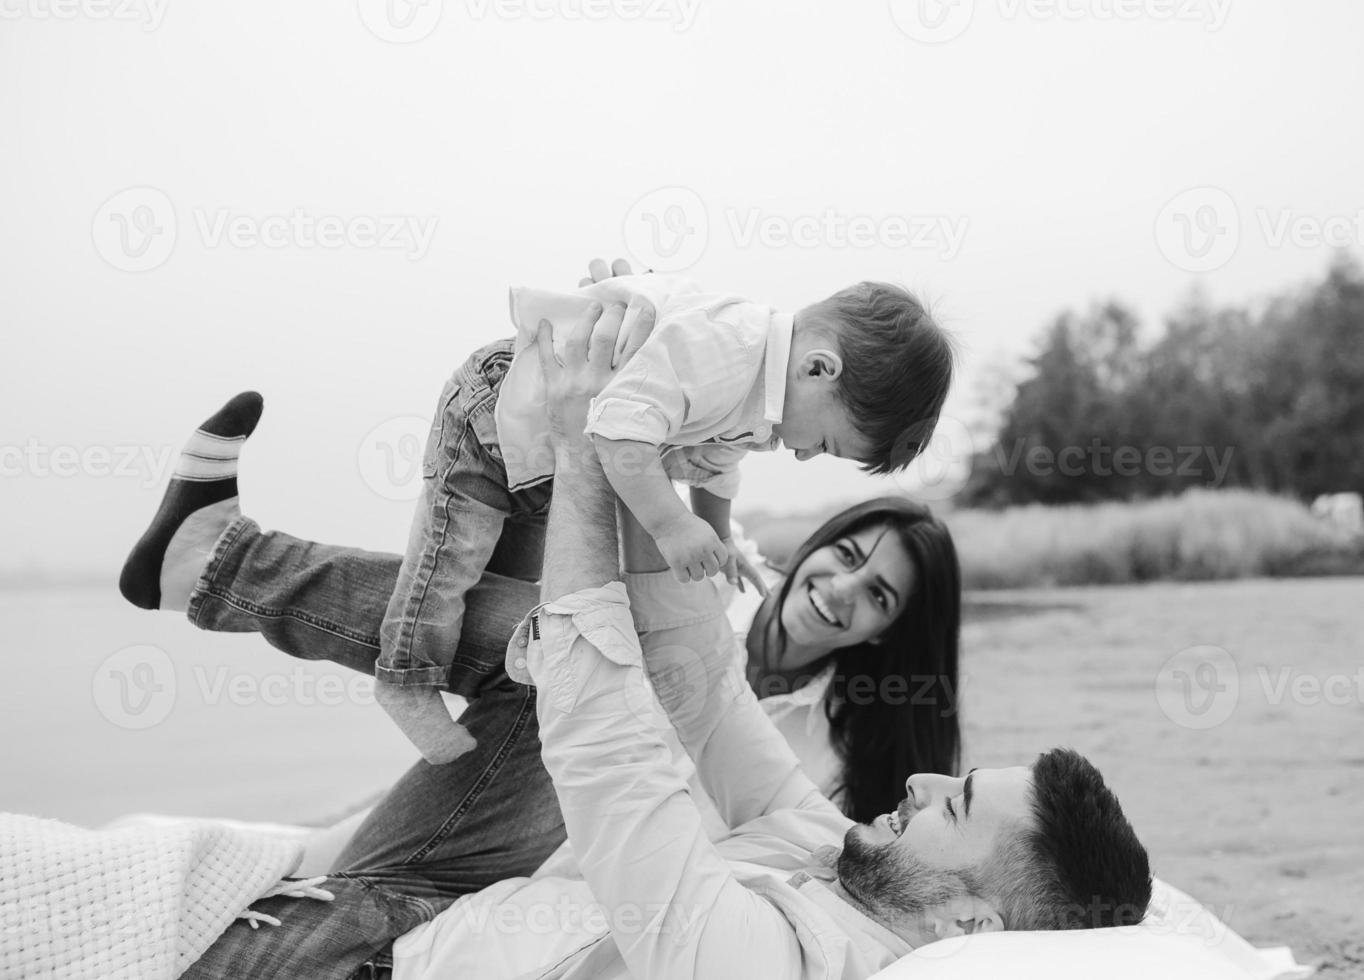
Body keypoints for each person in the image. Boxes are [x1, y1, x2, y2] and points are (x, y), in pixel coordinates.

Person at [118, 268, 964, 976]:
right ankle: (223, 573)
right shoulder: (723, 564)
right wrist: (634, 350)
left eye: (880, 597)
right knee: (542, 627)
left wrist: (625, 434)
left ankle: (223, 568)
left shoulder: (842, 771)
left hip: (566, 848)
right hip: (529, 767)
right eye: (848, 556)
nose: (844, 590)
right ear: (817, 541)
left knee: (556, 637)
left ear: (889, 633)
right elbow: (660, 490)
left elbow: (679, 823)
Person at [386, 305, 1153, 979]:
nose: (926, 780)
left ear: (972, 924)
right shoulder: (841, 852)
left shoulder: (777, 963)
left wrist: (582, 445)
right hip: (438, 916)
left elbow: (612, 765)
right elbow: (708, 689)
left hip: (394, 959)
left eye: (955, 809)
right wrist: (631, 434)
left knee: (488, 627)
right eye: (959, 784)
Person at [374, 266, 955, 762]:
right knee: (445, 564)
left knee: (508, 587)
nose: (803, 454)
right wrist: (672, 525)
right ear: (819, 370)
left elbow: (717, 465)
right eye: (824, 443)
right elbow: (621, 433)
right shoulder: (726, 350)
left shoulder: (758, 394)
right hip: (494, 420)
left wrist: (717, 534)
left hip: (538, 464)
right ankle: (404, 679)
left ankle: (475, 687)